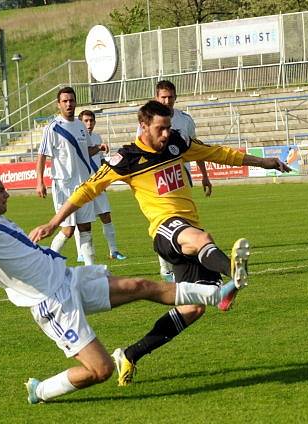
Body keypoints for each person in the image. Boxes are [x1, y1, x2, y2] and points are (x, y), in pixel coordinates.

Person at [0, 172, 244, 403]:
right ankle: (41, 391)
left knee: (142, 285)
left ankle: (215, 293)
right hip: (52, 303)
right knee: (101, 370)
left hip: (68, 278)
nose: (6, 192)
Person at [29, 100, 291, 387]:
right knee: (202, 240)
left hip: (187, 226)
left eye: (168, 127)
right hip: (165, 229)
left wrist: (264, 162)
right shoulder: (126, 158)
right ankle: (233, 273)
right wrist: (55, 222)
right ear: (143, 125)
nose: (166, 134)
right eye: (160, 128)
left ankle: (130, 354)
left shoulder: (177, 142)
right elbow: (87, 190)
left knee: (193, 308)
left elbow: (218, 153)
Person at [144, 80, 212, 282]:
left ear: (175, 97)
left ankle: (183, 265)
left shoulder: (185, 120)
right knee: (164, 222)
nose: (167, 101)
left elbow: (197, 149)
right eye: (163, 97)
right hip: (157, 180)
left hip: (182, 178)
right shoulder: (147, 122)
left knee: (185, 221)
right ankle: (166, 267)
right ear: (156, 98)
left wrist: (205, 175)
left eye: (170, 97)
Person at [35, 87, 99, 265]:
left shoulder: (80, 125)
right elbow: (41, 155)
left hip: (84, 184)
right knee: (68, 229)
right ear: (59, 104)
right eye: (65, 101)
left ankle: (90, 269)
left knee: (86, 227)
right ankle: (47, 261)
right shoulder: (53, 128)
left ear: (75, 102)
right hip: (64, 185)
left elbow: (87, 150)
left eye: (71, 100)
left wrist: (100, 149)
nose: (69, 104)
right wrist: (39, 181)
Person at [77, 109, 127, 261]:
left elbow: (99, 160)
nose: (89, 124)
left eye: (91, 120)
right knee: (82, 222)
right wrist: (98, 148)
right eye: (86, 121)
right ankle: (82, 253)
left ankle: (113, 250)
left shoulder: (97, 137)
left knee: (106, 216)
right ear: (80, 122)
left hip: (98, 184)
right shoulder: (78, 138)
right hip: (83, 184)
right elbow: (84, 154)